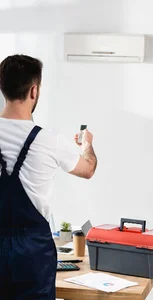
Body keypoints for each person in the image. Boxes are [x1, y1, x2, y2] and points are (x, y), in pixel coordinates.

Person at [0, 54, 98, 298]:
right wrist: (87, 145)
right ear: (34, 91)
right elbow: (88, 170)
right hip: (32, 254)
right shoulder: (49, 140)